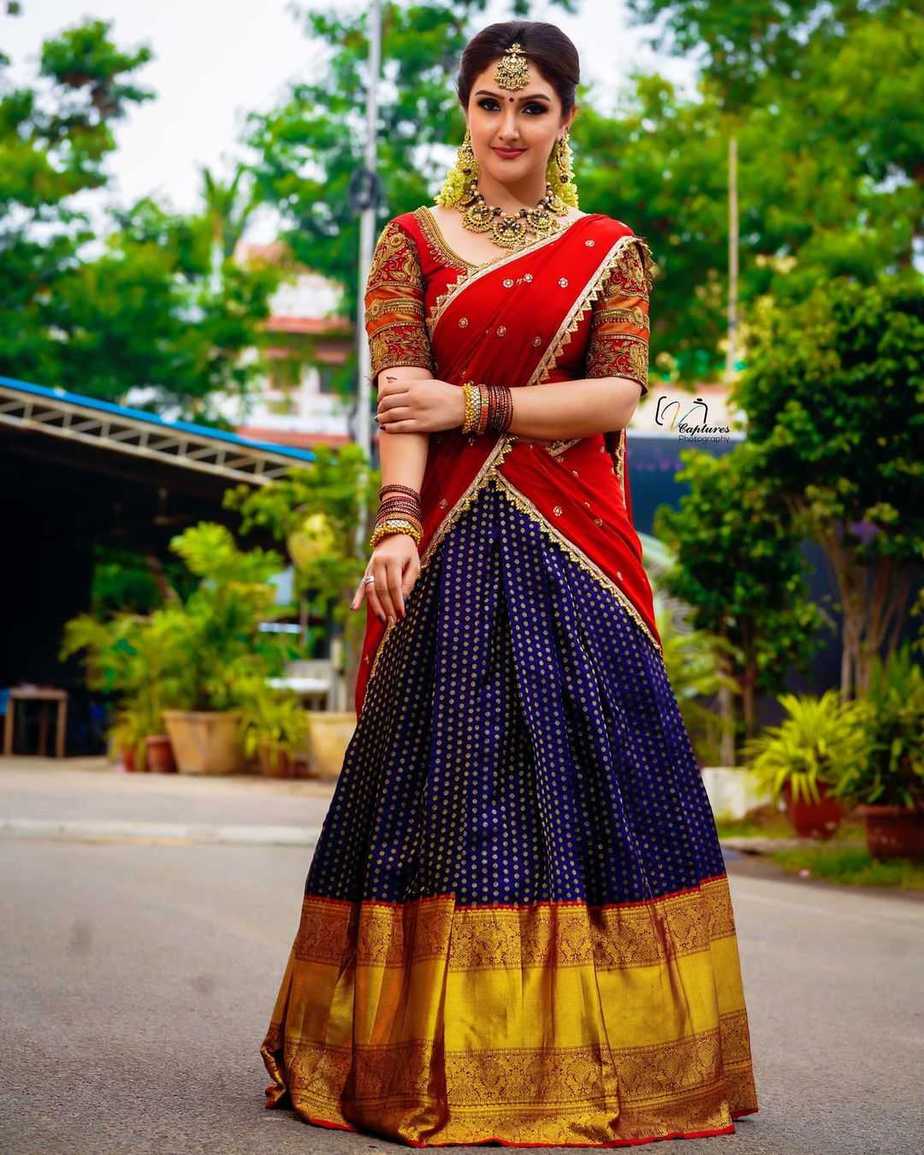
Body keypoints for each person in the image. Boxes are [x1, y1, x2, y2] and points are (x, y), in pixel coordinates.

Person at [259, 19, 758, 1148]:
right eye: (491, 103)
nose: (509, 128)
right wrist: (393, 527)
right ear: (465, 111)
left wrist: (473, 406)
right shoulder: (411, 245)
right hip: (445, 553)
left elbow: (618, 397)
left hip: (575, 551)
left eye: (532, 109)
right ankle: (427, 1057)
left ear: (565, 120)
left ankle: (605, 1059)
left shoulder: (608, 250)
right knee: (442, 799)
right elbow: (401, 397)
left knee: (599, 799)